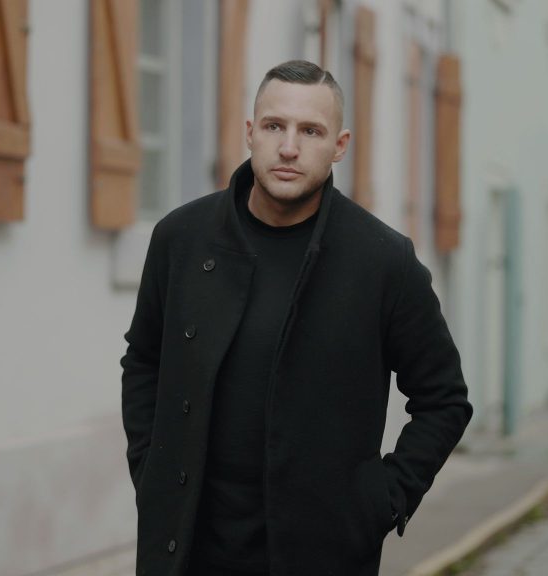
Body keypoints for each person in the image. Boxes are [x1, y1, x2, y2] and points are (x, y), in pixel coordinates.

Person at [121, 59, 472, 576]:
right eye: (274, 126)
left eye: (311, 131)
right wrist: (149, 468)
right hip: (187, 550)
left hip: (320, 553)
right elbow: (144, 360)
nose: (289, 147)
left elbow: (444, 398)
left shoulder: (382, 260)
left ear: (340, 145)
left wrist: (383, 499)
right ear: (250, 132)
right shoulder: (182, 238)